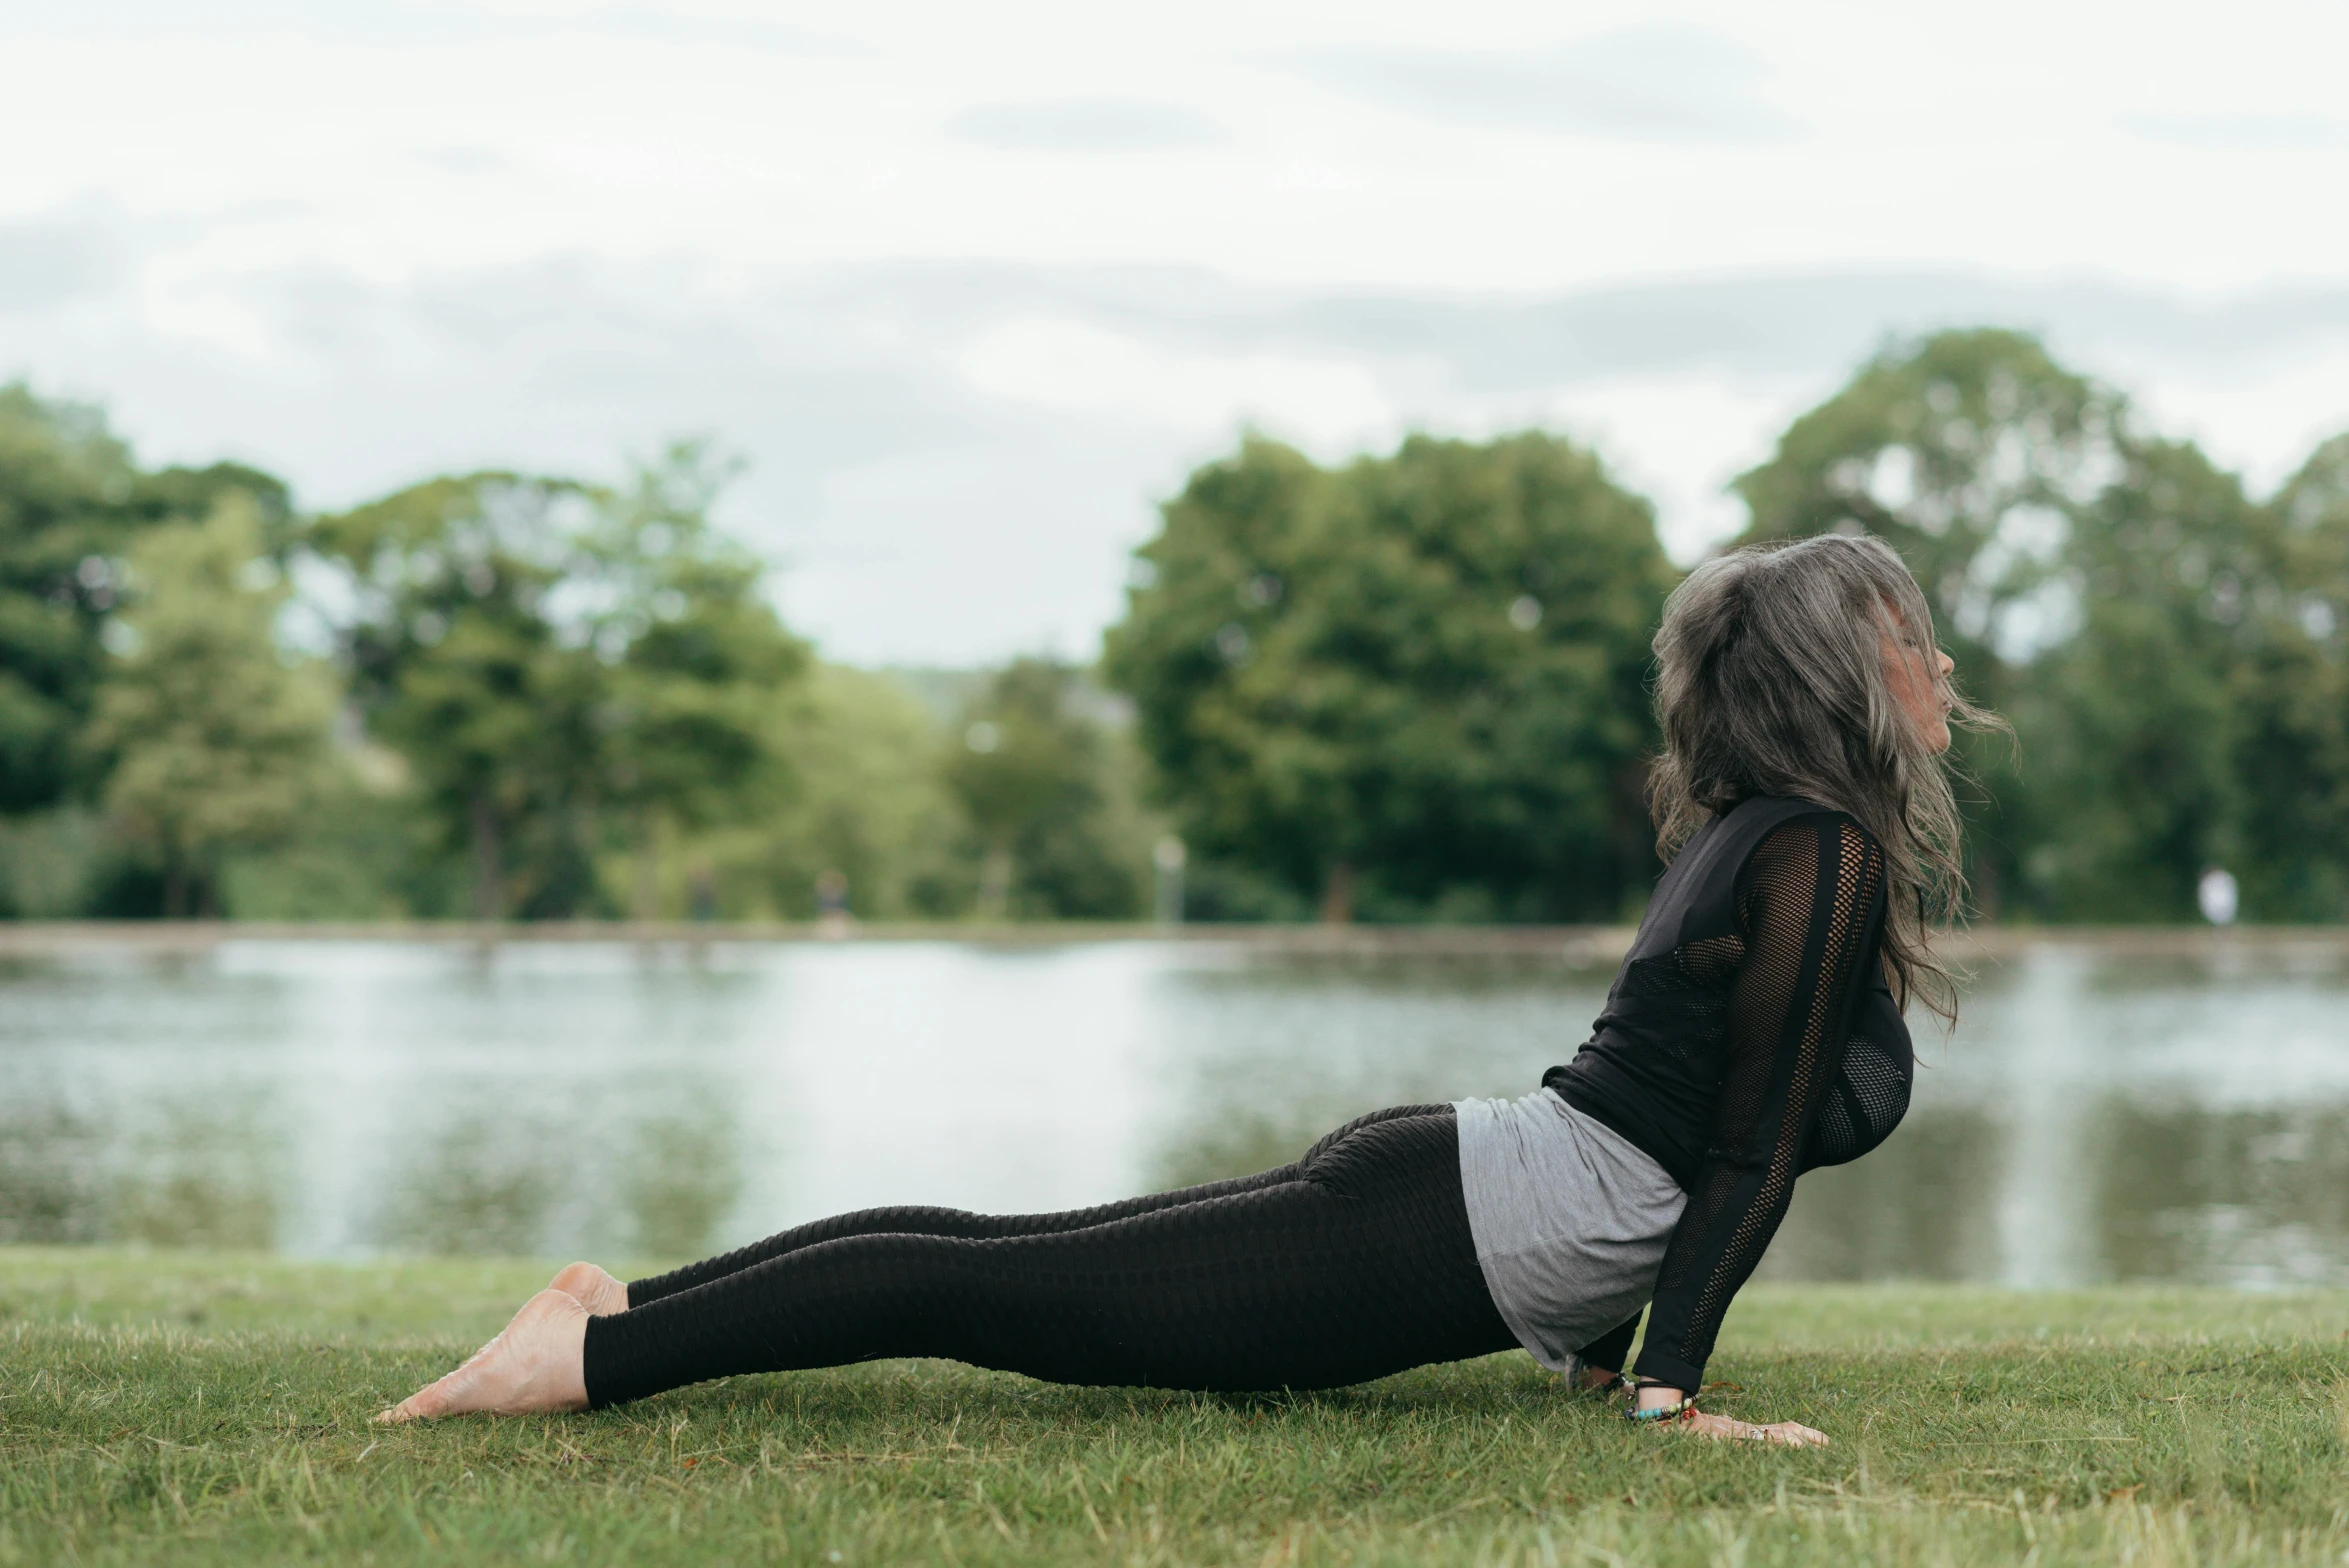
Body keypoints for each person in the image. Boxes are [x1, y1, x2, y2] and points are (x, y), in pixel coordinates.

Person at [379, 533, 1984, 1446]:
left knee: (985, 1261)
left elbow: (1668, 1113)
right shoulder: (1815, 854)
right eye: (1913, 642)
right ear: (1846, 675)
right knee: (984, 1286)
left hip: (1462, 1193)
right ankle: (591, 1359)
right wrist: (1668, 1396)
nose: (1942, 669)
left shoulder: (1761, 837)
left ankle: (619, 1313)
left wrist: (1590, 1343)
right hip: (1458, 1214)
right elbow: (1743, 1151)